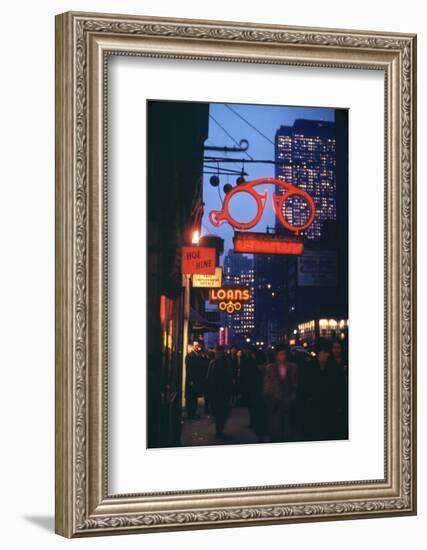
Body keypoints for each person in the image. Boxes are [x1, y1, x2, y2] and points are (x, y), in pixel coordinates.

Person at [263, 344, 298, 443]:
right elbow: (267, 386)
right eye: (280, 354)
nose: (282, 356)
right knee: (276, 429)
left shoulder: (293, 367)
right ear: (276, 355)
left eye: (284, 354)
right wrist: (270, 399)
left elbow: (295, 384)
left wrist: (292, 398)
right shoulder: (270, 368)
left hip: (288, 403)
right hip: (275, 403)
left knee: (288, 429)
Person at [206, 345, 233, 438]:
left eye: (218, 352)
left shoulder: (220, 363)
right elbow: (209, 377)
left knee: (220, 410)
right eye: (216, 352)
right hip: (216, 391)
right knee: (218, 410)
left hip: (221, 391)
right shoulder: (214, 363)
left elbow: (229, 378)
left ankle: (219, 428)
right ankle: (219, 427)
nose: (217, 354)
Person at [184, 342, 205, 420]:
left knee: (193, 397)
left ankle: (192, 413)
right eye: (195, 346)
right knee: (191, 398)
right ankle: (191, 414)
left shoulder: (195, 355)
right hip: (192, 380)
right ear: (192, 346)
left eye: (197, 346)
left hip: (195, 380)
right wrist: (190, 380)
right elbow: (189, 369)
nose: (196, 347)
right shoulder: (190, 356)